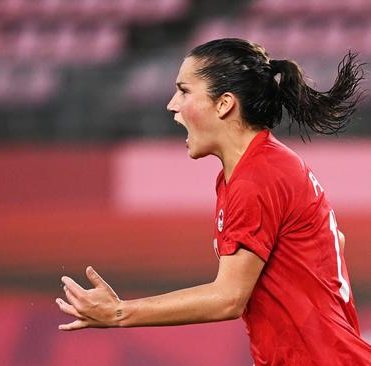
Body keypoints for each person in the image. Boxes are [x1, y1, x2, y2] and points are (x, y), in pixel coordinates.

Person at [55, 38, 371, 365]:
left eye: (185, 91)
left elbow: (228, 299)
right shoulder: (262, 167)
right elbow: (333, 243)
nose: (172, 105)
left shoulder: (257, 177)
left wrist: (120, 312)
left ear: (224, 104)